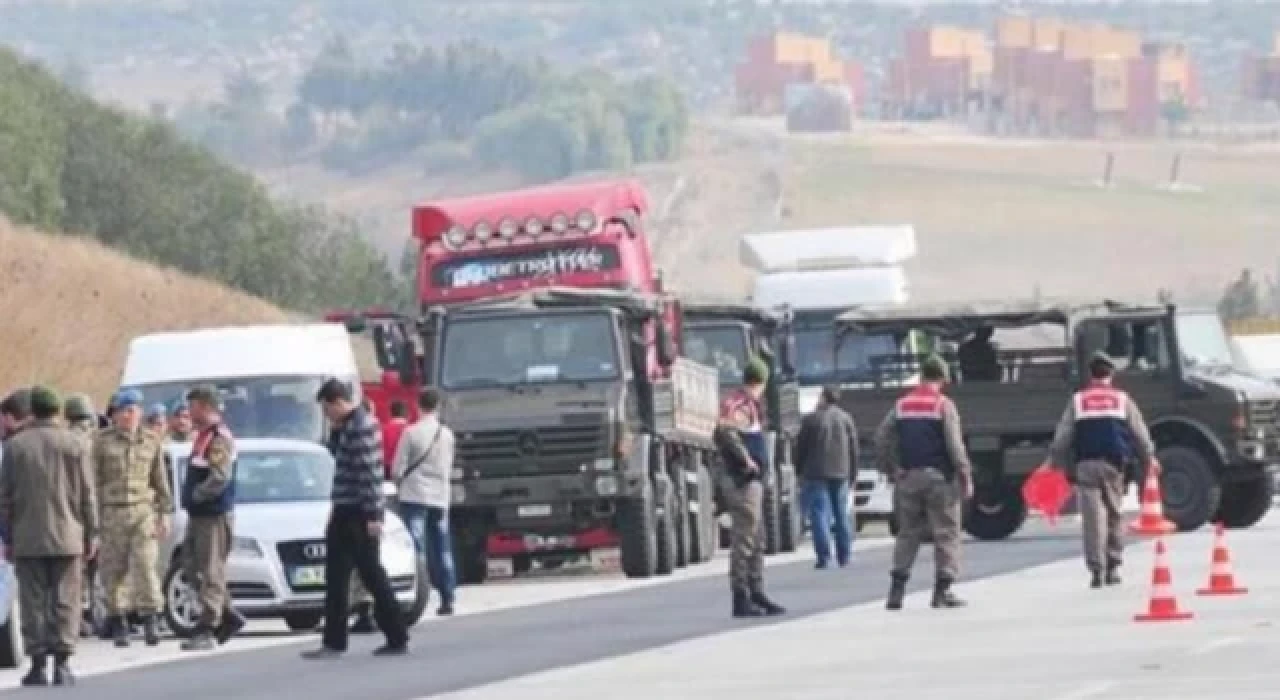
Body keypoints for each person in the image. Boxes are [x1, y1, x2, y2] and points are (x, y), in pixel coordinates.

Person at [303, 379, 409, 660]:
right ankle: (334, 641)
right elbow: (338, 458)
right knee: (336, 577)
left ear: (337, 402)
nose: (327, 416)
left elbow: (370, 474)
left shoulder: (361, 426)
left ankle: (396, 633)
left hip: (359, 513)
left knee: (372, 574)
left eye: (328, 410)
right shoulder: (349, 426)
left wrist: (374, 515)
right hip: (344, 508)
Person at [0, 386, 98, 686]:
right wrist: (92, 533)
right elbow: (87, 494)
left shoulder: (15, 447)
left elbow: (4, 498)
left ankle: (38, 664)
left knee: (33, 601)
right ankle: (64, 663)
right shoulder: (75, 443)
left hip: (27, 536)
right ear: (57, 411)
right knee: (66, 599)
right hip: (69, 534)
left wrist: (8, 536)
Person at [1044, 351, 1158, 588]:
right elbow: (1139, 432)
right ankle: (1113, 567)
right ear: (1111, 374)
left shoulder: (1078, 400)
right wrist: (1149, 457)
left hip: (1085, 465)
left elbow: (1063, 436)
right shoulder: (1121, 399)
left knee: (1092, 520)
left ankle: (1096, 570)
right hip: (1113, 466)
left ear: (1091, 375)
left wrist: (1054, 460)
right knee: (1114, 515)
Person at [874, 354, 973, 611]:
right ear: (941, 378)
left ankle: (897, 589)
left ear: (921, 376)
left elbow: (881, 437)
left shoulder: (902, 405)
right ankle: (942, 590)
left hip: (909, 478)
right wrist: (964, 474)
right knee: (947, 532)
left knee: (908, 534)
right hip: (939, 479)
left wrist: (892, 469)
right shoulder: (943, 405)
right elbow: (954, 444)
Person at [91, 388, 173, 647]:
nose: (129, 416)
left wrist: (164, 514)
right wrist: (92, 520)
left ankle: (151, 617)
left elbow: (160, 481)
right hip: (112, 512)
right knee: (113, 571)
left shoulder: (151, 441)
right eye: (124, 411)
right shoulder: (101, 442)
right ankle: (119, 620)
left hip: (142, 512)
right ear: (115, 415)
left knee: (146, 565)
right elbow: (93, 481)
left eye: (134, 410)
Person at [713, 358, 785, 618]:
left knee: (757, 537)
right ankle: (741, 596)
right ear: (762, 382)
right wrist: (746, 459)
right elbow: (727, 433)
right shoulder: (739, 405)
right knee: (745, 539)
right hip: (741, 481)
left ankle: (757, 591)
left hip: (751, 482)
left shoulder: (748, 404)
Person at [179, 386, 246, 651]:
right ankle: (227, 614)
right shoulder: (203, 437)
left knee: (210, 570)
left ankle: (208, 625)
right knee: (190, 564)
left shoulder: (219, 438)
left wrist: (197, 494)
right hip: (199, 515)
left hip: (213, 515)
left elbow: (220, 476)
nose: (189, 411)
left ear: (205, 406)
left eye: (193, 405)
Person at [393, 387, 457, 616]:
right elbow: (448, 466)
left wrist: (399, 483)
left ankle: (420, 593)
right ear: (438, 406)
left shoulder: (411, 433)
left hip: (415, 495)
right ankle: (448, 596)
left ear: (417, 405)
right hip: (440, 496)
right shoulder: (447, 435)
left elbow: (397, 468)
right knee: (442, 547)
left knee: (417, 547)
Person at [794, 385, 858, 569]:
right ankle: (844, 556)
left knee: (820, 514)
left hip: (815, 472)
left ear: (823, 397)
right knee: (841, 514)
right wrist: (853, 473)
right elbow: (854, 449)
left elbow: (801, 448)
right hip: (841, 471)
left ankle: (824, 557)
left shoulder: (811, 419)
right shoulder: (846, 419)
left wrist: (799, 471)